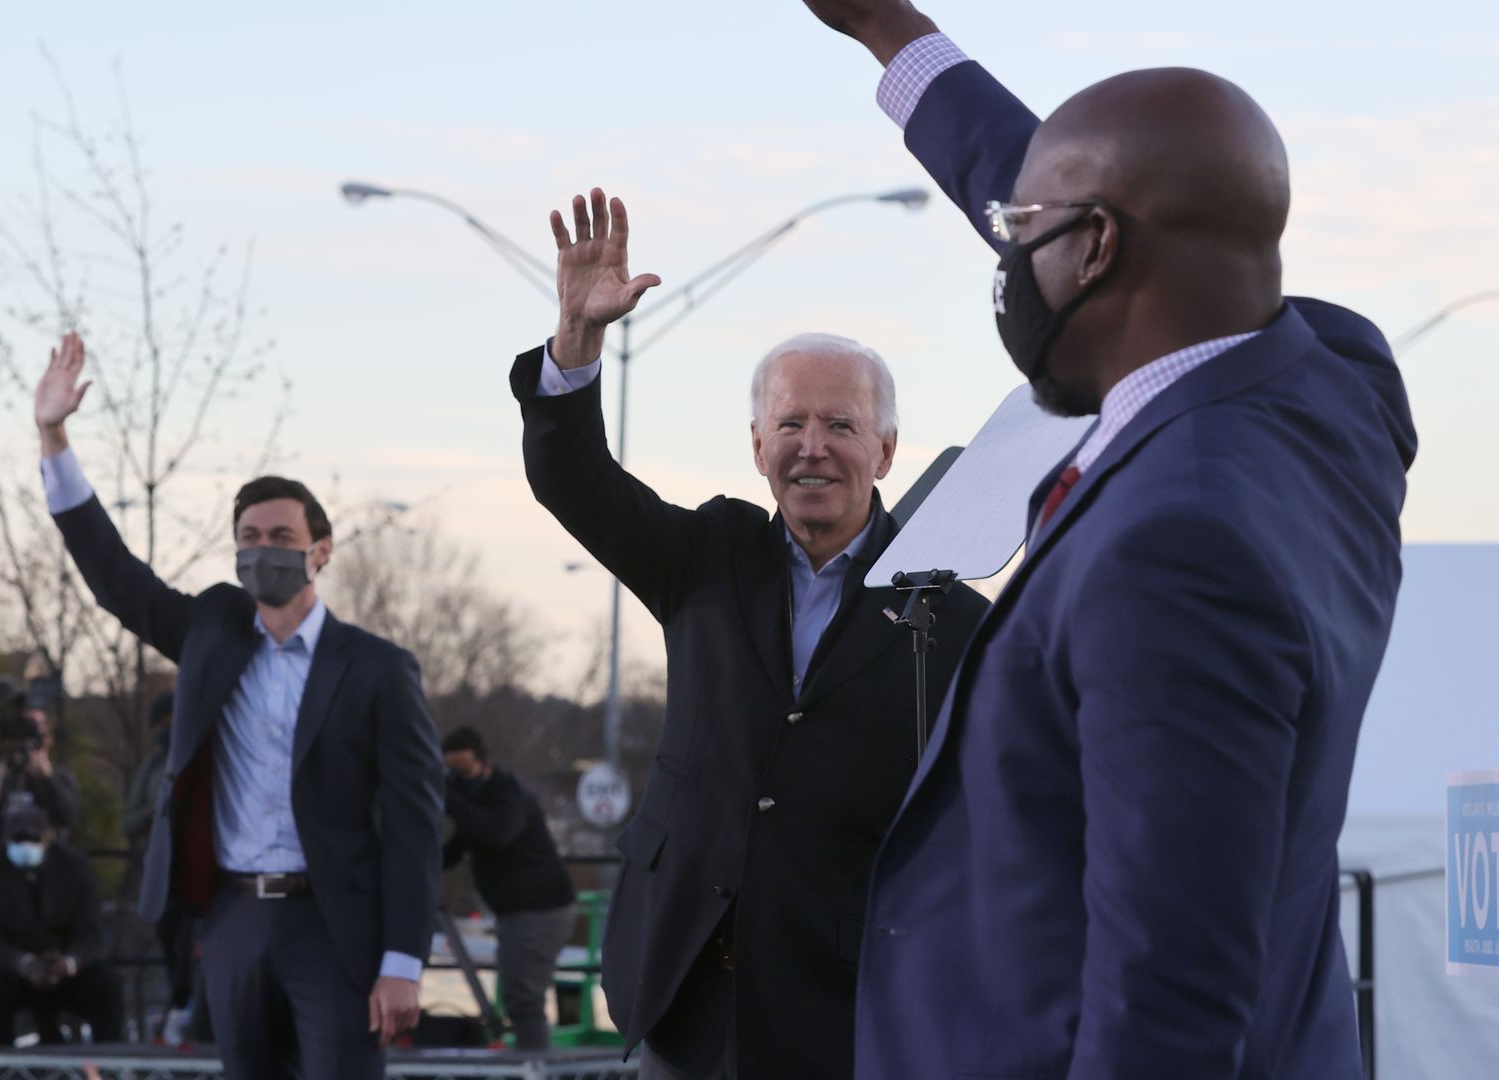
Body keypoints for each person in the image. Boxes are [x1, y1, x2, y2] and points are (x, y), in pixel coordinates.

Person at [799, 4, 1421, 1077]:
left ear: (1094, 249)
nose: (1009, 255)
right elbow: (1160, 209)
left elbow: (1166, 999)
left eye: (1023, 231)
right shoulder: (1338, 397)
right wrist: (893, 37)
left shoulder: (1174, 548)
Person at [514, 189, 991, 1080]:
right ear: (757, 443)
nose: (813, 447)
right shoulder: (708, 555)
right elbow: (572, 479)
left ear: (887, 450)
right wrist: (577, 340)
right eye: (790, 424)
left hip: (846, 1002)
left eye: (840, 425)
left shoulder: (949, 617)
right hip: (685, 989)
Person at [32, 330, 445, 1079]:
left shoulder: (378, 669)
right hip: (232, 919)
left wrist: (403, 961)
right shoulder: (211, 632)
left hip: (336, 926)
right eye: (249, 537)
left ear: (321, 549)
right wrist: (54, 438)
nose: (264, 548)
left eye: (282, 535)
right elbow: (116, 578)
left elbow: (416, 823)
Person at [439, 727, 576, 1051]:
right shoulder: (475, 800)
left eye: (465, 771)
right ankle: (529, 1062)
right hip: (519, 913)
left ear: (485, 763)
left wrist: (448, 799)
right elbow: (457, 846)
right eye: (452, 772)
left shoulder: (508, 793)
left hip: (540, 911)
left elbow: (496, 832)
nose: (459, 779)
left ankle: (533, 1066)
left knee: (524, 1000)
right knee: (520, 998)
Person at [0, 805, 122, 1056]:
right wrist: (24, 964)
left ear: (48, 838)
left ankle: (109, 1065)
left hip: (66, 969)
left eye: (32, 839)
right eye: (18, 839)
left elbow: (91, 933)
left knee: (106, 986)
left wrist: (69, 963)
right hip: (10, 970)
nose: (25, 846)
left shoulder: (74, 867)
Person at [121, 690, 198, 1046]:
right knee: (171, 947)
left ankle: (192, 1012)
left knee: (194, 946)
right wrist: (154, 811)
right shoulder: (151, 768)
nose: (166, 731)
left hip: (198, 870)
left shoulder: (200, 756)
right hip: (162, 872)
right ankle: (177, 1014)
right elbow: (128, 821)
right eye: (161, 725)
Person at [0, 704, 80, 849]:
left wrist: (47, 777)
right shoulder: (6, 776)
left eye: (34, 728)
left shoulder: (62, 777)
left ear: (49, 738)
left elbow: (67, 819)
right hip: (4, 855)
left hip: (45, 856)